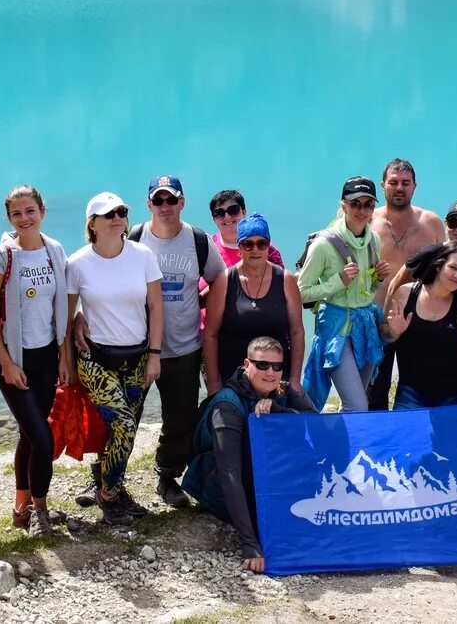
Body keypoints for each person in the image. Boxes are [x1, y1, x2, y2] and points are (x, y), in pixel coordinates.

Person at [0, 186, 70, 538]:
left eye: (30, 211)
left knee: (31, 434)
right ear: (10, 218)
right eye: (17, 214)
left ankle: (20, 507)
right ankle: (40, 512)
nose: (25, 218)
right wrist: (7, 364)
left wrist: (64, 357)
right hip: (15, 361)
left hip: (47, 357)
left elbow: (65, 307)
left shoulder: (54, 251)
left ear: (42, 210)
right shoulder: (3, 256)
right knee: (44, 441)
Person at [65, 191, 165, 527]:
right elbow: (66, 316)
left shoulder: (143, 255)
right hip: (95, 358)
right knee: (122, 424)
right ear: (92, 224)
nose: (117, 218)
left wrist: (154, 354)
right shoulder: (77, 263)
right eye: (108, 214)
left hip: (137, 357)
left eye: (122, 212)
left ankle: (110, 483)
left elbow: (156, 307)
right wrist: (66, 362)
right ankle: (108, 496)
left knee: (127, 430)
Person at [124, 175, 223, 509]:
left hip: (183, 346)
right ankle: (108, 480)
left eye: (171, 200)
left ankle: (167, 476)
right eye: (159, 200)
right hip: (137, 347)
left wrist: (201, 304)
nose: (165, 207)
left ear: (182, 202)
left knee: (179, 420)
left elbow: (218, 278)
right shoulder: (134, 238)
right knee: (125, 415)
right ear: (149, 204)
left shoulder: (197, 240)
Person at [183, 336, 315, 572]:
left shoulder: (282, 388)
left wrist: (280, 412)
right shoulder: (227, 406)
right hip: (217, 481)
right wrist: (250, 544)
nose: (271, 373)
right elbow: (229, 473)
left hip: (261, 476)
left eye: (277, 366)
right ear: (247, 364)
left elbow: (320, 427)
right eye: (262, 365)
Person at [383, 200, 457, 399]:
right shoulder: (430, 254)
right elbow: (397, 283)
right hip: (422, 338)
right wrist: (388, 321)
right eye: (453, 222)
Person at [298, 176, 392, 412]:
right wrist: (338, 281)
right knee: (357, 404)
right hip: (336, 328)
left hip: (365, 325)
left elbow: (365, 293)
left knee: (356, 400)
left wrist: (377, 280)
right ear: (343, 206)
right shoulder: (324, 244)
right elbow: (301, 292)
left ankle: (344, 447)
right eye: (355, 204)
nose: (362, 211)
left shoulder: (374, 240)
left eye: (368, 204)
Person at [367, 159, 446, 410]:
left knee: (418, 389)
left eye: (405, 183)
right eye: (393, 183)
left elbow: (443, 272)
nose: (399, 188)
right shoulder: (368, 221)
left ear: (415, 186)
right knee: (374, 391)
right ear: (383, 186)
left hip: (419, 319)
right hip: (377, 319)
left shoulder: (431, 222)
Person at [380, 241, 457, 409]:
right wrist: (394, 333)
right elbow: (385, 336)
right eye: (453, 268)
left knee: (452, 436)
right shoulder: (406, 293)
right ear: (439, 265)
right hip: (411, 390)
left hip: (455, 393)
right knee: (409, 435)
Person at [202, 214, 305, 394]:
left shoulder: (285, 280)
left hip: (276, 380)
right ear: (239, 248)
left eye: (261, 243)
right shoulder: (225, 281)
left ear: (269, 245)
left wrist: (295, 379)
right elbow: (211, 335)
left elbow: (297, 332)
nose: (255, 249)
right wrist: (213, 383)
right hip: (232, 380)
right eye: (248, 244)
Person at [209, 189, 285, 268]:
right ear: (214, 218)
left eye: (233, 210)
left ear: (244, 212)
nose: (227, 217)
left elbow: (281, 278)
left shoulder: (263, 247)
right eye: (219, 213)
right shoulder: (207, 247)